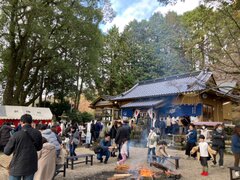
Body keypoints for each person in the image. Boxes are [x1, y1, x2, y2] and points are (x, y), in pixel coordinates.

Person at [4, 114, 42, 180]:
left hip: (17, 165)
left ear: (21, 122)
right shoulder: (38, 133)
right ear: (31, 122)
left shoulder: (16, 134)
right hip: (31, 164)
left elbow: (7, 151)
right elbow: (39, 148)